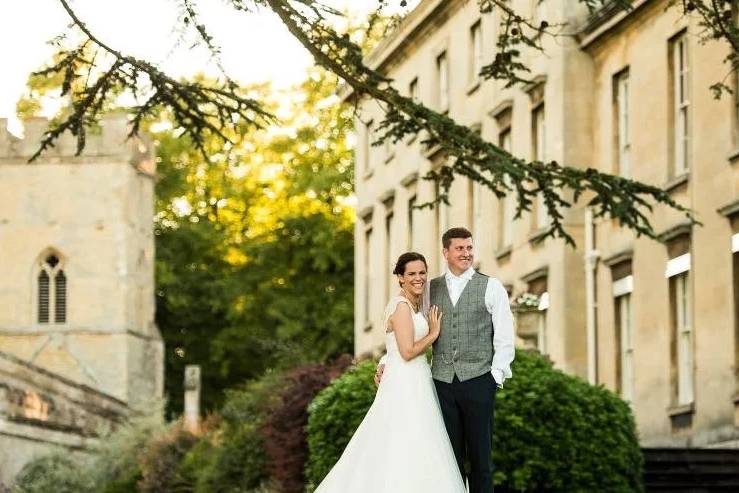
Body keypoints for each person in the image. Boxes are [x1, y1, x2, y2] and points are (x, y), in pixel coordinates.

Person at [376, 227, 515, 493]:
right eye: (460, 248)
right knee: (446, 459)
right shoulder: (429, 289)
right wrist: (386, 360)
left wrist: (494, 378)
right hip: (440, 384)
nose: (466, 253)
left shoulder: (491, 287)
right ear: (446, 252)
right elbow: (407, 329)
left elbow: (505, 337)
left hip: (478, 381)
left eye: (469, 248)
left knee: (480, 459)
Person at [314, 252, 467, 492]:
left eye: (422, 273)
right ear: (400, 278)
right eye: (412, 274)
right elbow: (407, 351)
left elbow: (393, 348)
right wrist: (433, 333)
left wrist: (385, 360)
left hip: (417, 380)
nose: (418, 278)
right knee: (403, 439)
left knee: (419, 444)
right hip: (405, 383)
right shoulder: (401, 306)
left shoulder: (415, 305)